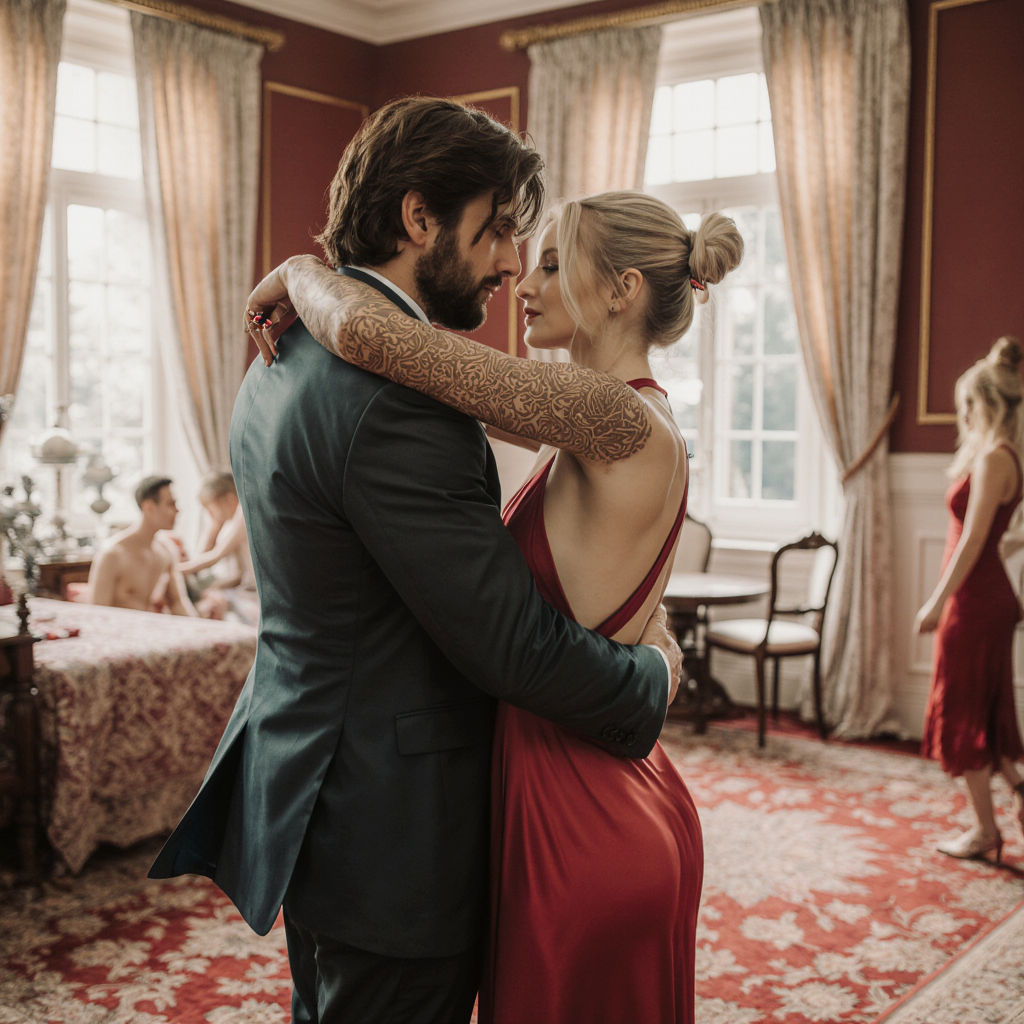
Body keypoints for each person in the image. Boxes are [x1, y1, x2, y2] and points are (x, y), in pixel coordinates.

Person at [149, 97, 682, 1024]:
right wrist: (653, 680)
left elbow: (395, 344)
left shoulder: (278, 360)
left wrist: (306, 276)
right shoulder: (388, 397)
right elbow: (510, 646)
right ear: (419, 217)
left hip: (322, 786)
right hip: (396, 827)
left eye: (540, 250)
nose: (513, 265)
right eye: (500, 233)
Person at [246, 190, 743, 1022]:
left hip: (581, 809)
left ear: (621, 291)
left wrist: (301, 270)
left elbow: (378, 338)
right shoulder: (610, 418)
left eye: (551, 263)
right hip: (587, 782)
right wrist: (656, 659)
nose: (523, 278)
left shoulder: (608, 415)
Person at [915, 335, 1024, 864]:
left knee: (966, 713)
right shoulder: (1001, 457)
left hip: (975, 602)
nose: (963, 415)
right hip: (985, 597)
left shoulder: (995, 460)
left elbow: (975, 541)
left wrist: (937, 603)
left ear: (988, 404)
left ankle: (984, 831)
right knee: (986, 709)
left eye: (967, 405)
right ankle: (1010, 806)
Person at [87, 474, 197, 616]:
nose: (177, 510)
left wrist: (202, 630)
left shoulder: (166, 550)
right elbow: (98, 613)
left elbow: (178, 603)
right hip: (121, 633)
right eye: (170, 504)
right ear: (149, 507)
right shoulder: (112, 554)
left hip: (153, 631)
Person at [179, 470, 258, 625]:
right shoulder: (230, 524)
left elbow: (216, 555)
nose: (210, 514)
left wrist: (173, 568)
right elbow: (239, 575)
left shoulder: (245, 511)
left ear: (228, 499)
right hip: (246, 588)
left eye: (210, 508)